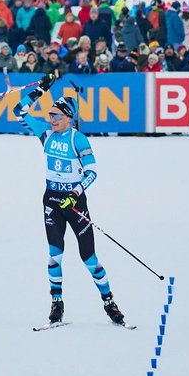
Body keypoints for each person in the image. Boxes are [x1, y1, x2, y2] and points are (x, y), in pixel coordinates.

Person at [17, 73, 125, 328]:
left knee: (89, 257)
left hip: (75, 204)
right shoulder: (45, 134)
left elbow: (92, 172)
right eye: (50, 115)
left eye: (56, 115)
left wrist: (75, 194)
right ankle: (57, 303)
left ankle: (109, 302)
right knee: (54, 255)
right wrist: (41, 90)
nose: (50, 119)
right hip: (52, 202)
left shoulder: (78, 139)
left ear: (68, 117)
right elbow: (19, 111)